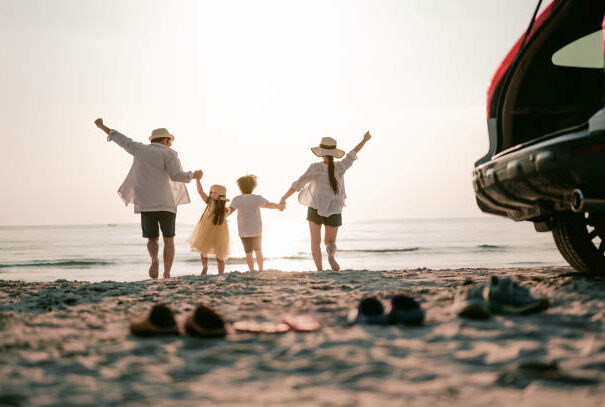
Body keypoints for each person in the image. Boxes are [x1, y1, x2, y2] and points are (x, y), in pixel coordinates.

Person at [94, 118, 202, 279]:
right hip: (166, 202)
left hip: (146, 202)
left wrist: (102, 126)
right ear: (165, 140)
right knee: (168, 239)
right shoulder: (169, 153)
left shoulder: (139, 149)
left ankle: (154, 259)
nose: (170, 144)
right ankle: (166, 273)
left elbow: (121, 139)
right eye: (169, 141)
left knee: (152, 238)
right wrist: (193, 175)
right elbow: (176, 175)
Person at [280, 131, 371, 271]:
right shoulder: (341, 167)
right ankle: (331, 256)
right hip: (335, 208)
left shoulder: (315, 167)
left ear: (321, 152)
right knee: (330, 241)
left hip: (315, 207)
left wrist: (284, 198)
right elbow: (352, 154)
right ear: (334, 153)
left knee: (315, 242)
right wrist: (364, 140)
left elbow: (298, 184)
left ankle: (320, 270)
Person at [228, 175, 284, 272]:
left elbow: (229, 211)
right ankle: (261, 269)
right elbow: (269, 205)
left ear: (240, 187)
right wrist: (279, 206)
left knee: (248, 253)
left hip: (243, 231)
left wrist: (220, 216)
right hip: (257, 230)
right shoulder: (257, 198)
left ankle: (251, 270)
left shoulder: (237, 199)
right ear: (253, 187)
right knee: (258, 251)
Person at [189, 175, 230, 275]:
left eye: (214, 193)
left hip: (220, 233)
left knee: (220, 254)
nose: (211, 194)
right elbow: (200, 191)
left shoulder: (225, 209)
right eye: (211, 192)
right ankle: (205, 267)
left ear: (220, 195)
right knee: (204, 249)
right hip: (207, 229)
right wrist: (198, 180)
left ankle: (221, 272)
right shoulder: (209, 202)